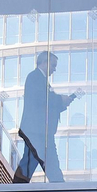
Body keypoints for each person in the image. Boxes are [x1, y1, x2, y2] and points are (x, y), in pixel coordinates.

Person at [14, 51, 78, 183]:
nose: (54, 69)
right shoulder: (35, 77)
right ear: (44, 62)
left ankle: (17, 187)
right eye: (53, 65)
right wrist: (60, 99)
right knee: (49, 161)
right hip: (38, 131)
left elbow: (45, 103)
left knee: (31, 160)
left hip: (38, 131)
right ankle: (60, 188)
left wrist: (62, 103)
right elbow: (41, 99)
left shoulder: (41, 80)